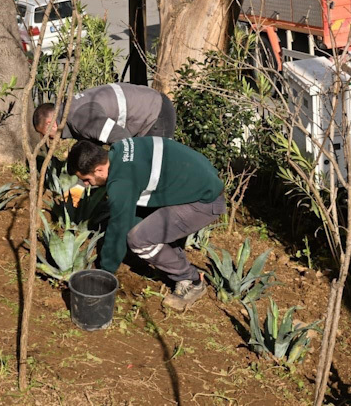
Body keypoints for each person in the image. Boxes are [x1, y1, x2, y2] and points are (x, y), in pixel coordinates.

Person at [67, 138, 226, 311]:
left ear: (99, 169)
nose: (86, 184)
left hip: (204, 201)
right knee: (138, 221)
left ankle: (192, 281)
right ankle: (173, 258)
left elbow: (119, 229)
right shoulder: (120, 148)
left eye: (87, 179)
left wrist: (105, 272)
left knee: (139, 239)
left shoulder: (122, 182)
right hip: (200, 181)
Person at [33, 83, 176, 144]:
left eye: (45, 134)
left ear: (49, 124)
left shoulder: (80, 118)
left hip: (155, 114)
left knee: (152, 168)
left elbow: (122, 138)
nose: (49, 139)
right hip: (150, 107)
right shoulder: (71, 109)